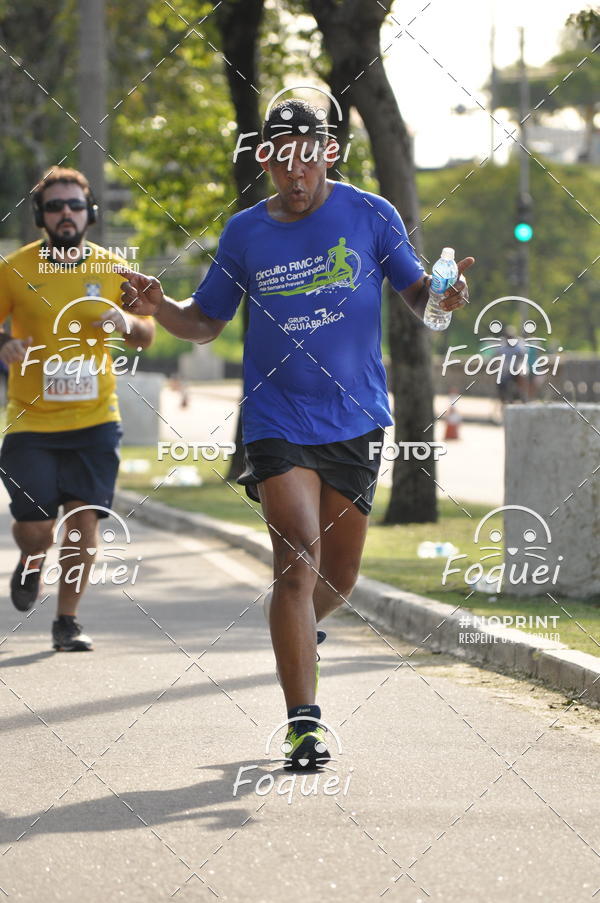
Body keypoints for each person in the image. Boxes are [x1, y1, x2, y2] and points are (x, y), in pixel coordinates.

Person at [119, 100, 473, 768]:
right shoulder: (245, 233)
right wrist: (160, 306)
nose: (295, 171)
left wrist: (445, 299)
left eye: (307, 155)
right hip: (277, 416)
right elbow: (205, 321)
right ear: (265, 160)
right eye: (281, 158)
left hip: (356, 418)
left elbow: (420, 296)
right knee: (297, 561)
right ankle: (304, 724)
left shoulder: (371, 215)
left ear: (329, 152)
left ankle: (302, 630)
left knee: (337, 576)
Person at [0, 167, 154, 651]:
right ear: (41, 217)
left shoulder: (112, 268)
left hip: (95, 420)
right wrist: (4, 343)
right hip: (31, 422)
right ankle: (30, 560)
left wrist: (124, 320)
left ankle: (67, 621)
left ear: (89, 213)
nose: (65, 213)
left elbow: (149, 333)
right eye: (54, 206)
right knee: (36, 527)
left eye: (74, 205)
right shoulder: (14, 268)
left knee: (84, 519)